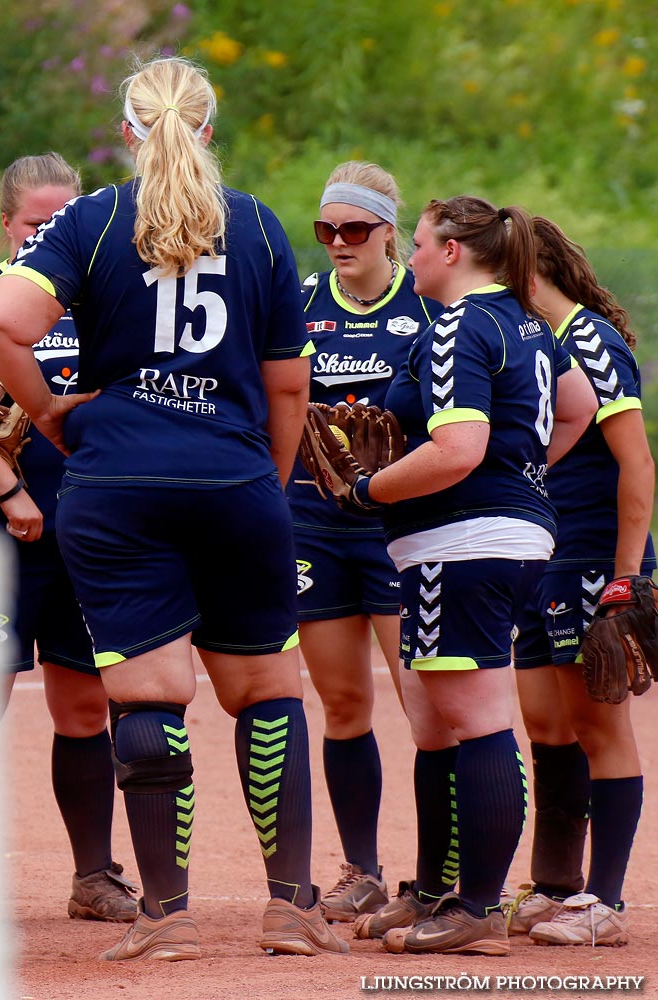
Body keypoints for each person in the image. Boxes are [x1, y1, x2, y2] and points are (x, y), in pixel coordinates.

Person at [0, 55, 348, 962]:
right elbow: (288, 383)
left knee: (148, 694)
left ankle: (165, 913)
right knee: (265, 690)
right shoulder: (256, 225)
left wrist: (55, 415)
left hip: (117, 486)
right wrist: (265, 474)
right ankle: (291, 907)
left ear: (129, 133)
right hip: (234, 481)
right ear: (208, 129)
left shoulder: (94, 220)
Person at [343, 196, 596, 956]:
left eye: (418, 245)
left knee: (478, 716)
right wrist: (522, 480)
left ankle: (478, 907)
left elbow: (456, 449)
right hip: (494, 538)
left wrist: (365, 491)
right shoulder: (525, 321)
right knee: (437, 720)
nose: (411, 258)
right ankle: (435, 890)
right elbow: (576, 407)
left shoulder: (457, 324)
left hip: (465, 544)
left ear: (453, 251)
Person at [0, 152, 136, 927]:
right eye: (35, 222)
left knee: (84, 705)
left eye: (61, 220)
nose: (49, 232)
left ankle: (94, 876)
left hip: (89, 530)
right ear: (8, 226)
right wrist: (7, 492)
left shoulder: (106, 299)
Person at [287, 162, 442, 923]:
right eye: (328, 229)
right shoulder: (303, 302)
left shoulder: (425, 300)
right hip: (313, 522)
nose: (339, 242)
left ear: (389, 231)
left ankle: (442, 874)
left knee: (426, 705)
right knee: (343, 704)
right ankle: (364, 869)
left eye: (354, 229)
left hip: (398, 526)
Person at [504, 215, 652, 946]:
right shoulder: (535, 344)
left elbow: (637, 464)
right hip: (544, 556)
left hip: (591, 556)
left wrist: (627, 578)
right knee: (546, 722)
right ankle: (559, 885)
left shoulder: (587, 338)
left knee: (600, 725)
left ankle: (609, 904)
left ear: (528, 273)